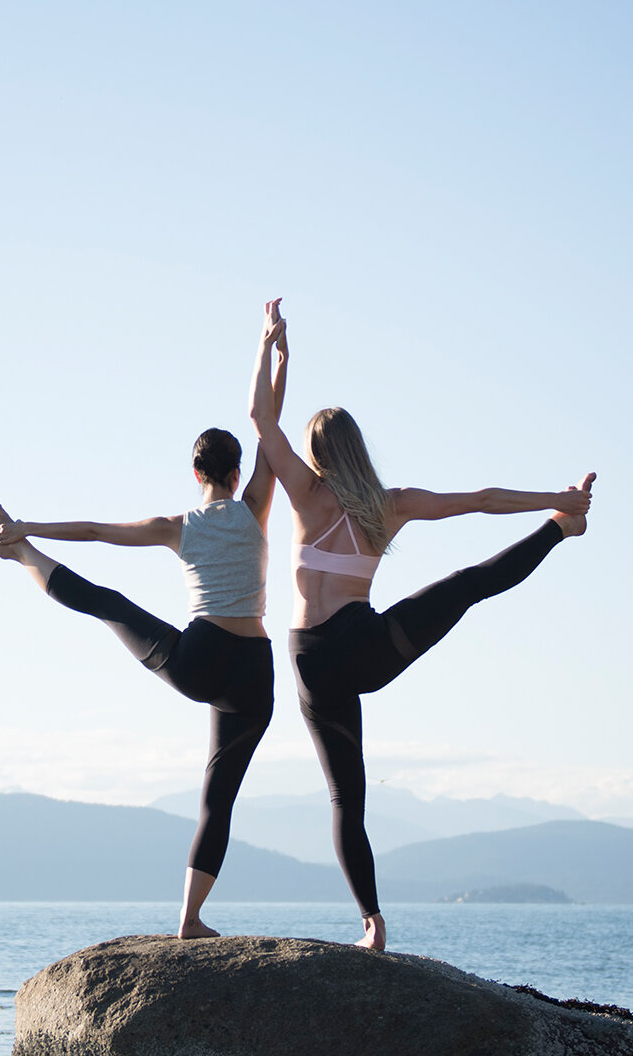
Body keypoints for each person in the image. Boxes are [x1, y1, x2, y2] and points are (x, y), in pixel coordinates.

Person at [249, 298, 592, 952]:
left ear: (320, 454)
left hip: (310, 659)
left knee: (344, 798)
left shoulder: (305, 493)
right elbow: (481, 501)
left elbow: (260, 419)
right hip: (369, 649)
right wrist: (557, 500)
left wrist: (272, 347)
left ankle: (371, 923)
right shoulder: (389, 505)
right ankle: (559, 531)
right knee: (466, 587)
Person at [0, 358, 285, 938]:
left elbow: (99, 530)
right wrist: (274, 355)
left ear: (195, 470)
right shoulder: (255, 509)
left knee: (111, 604)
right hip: (254, 672)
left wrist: (29, 530)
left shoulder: (180, 525)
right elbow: (268, 425)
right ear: (238, 471)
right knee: (218, 799)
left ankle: (20, 555)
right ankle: (190, 918)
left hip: (200, 662)